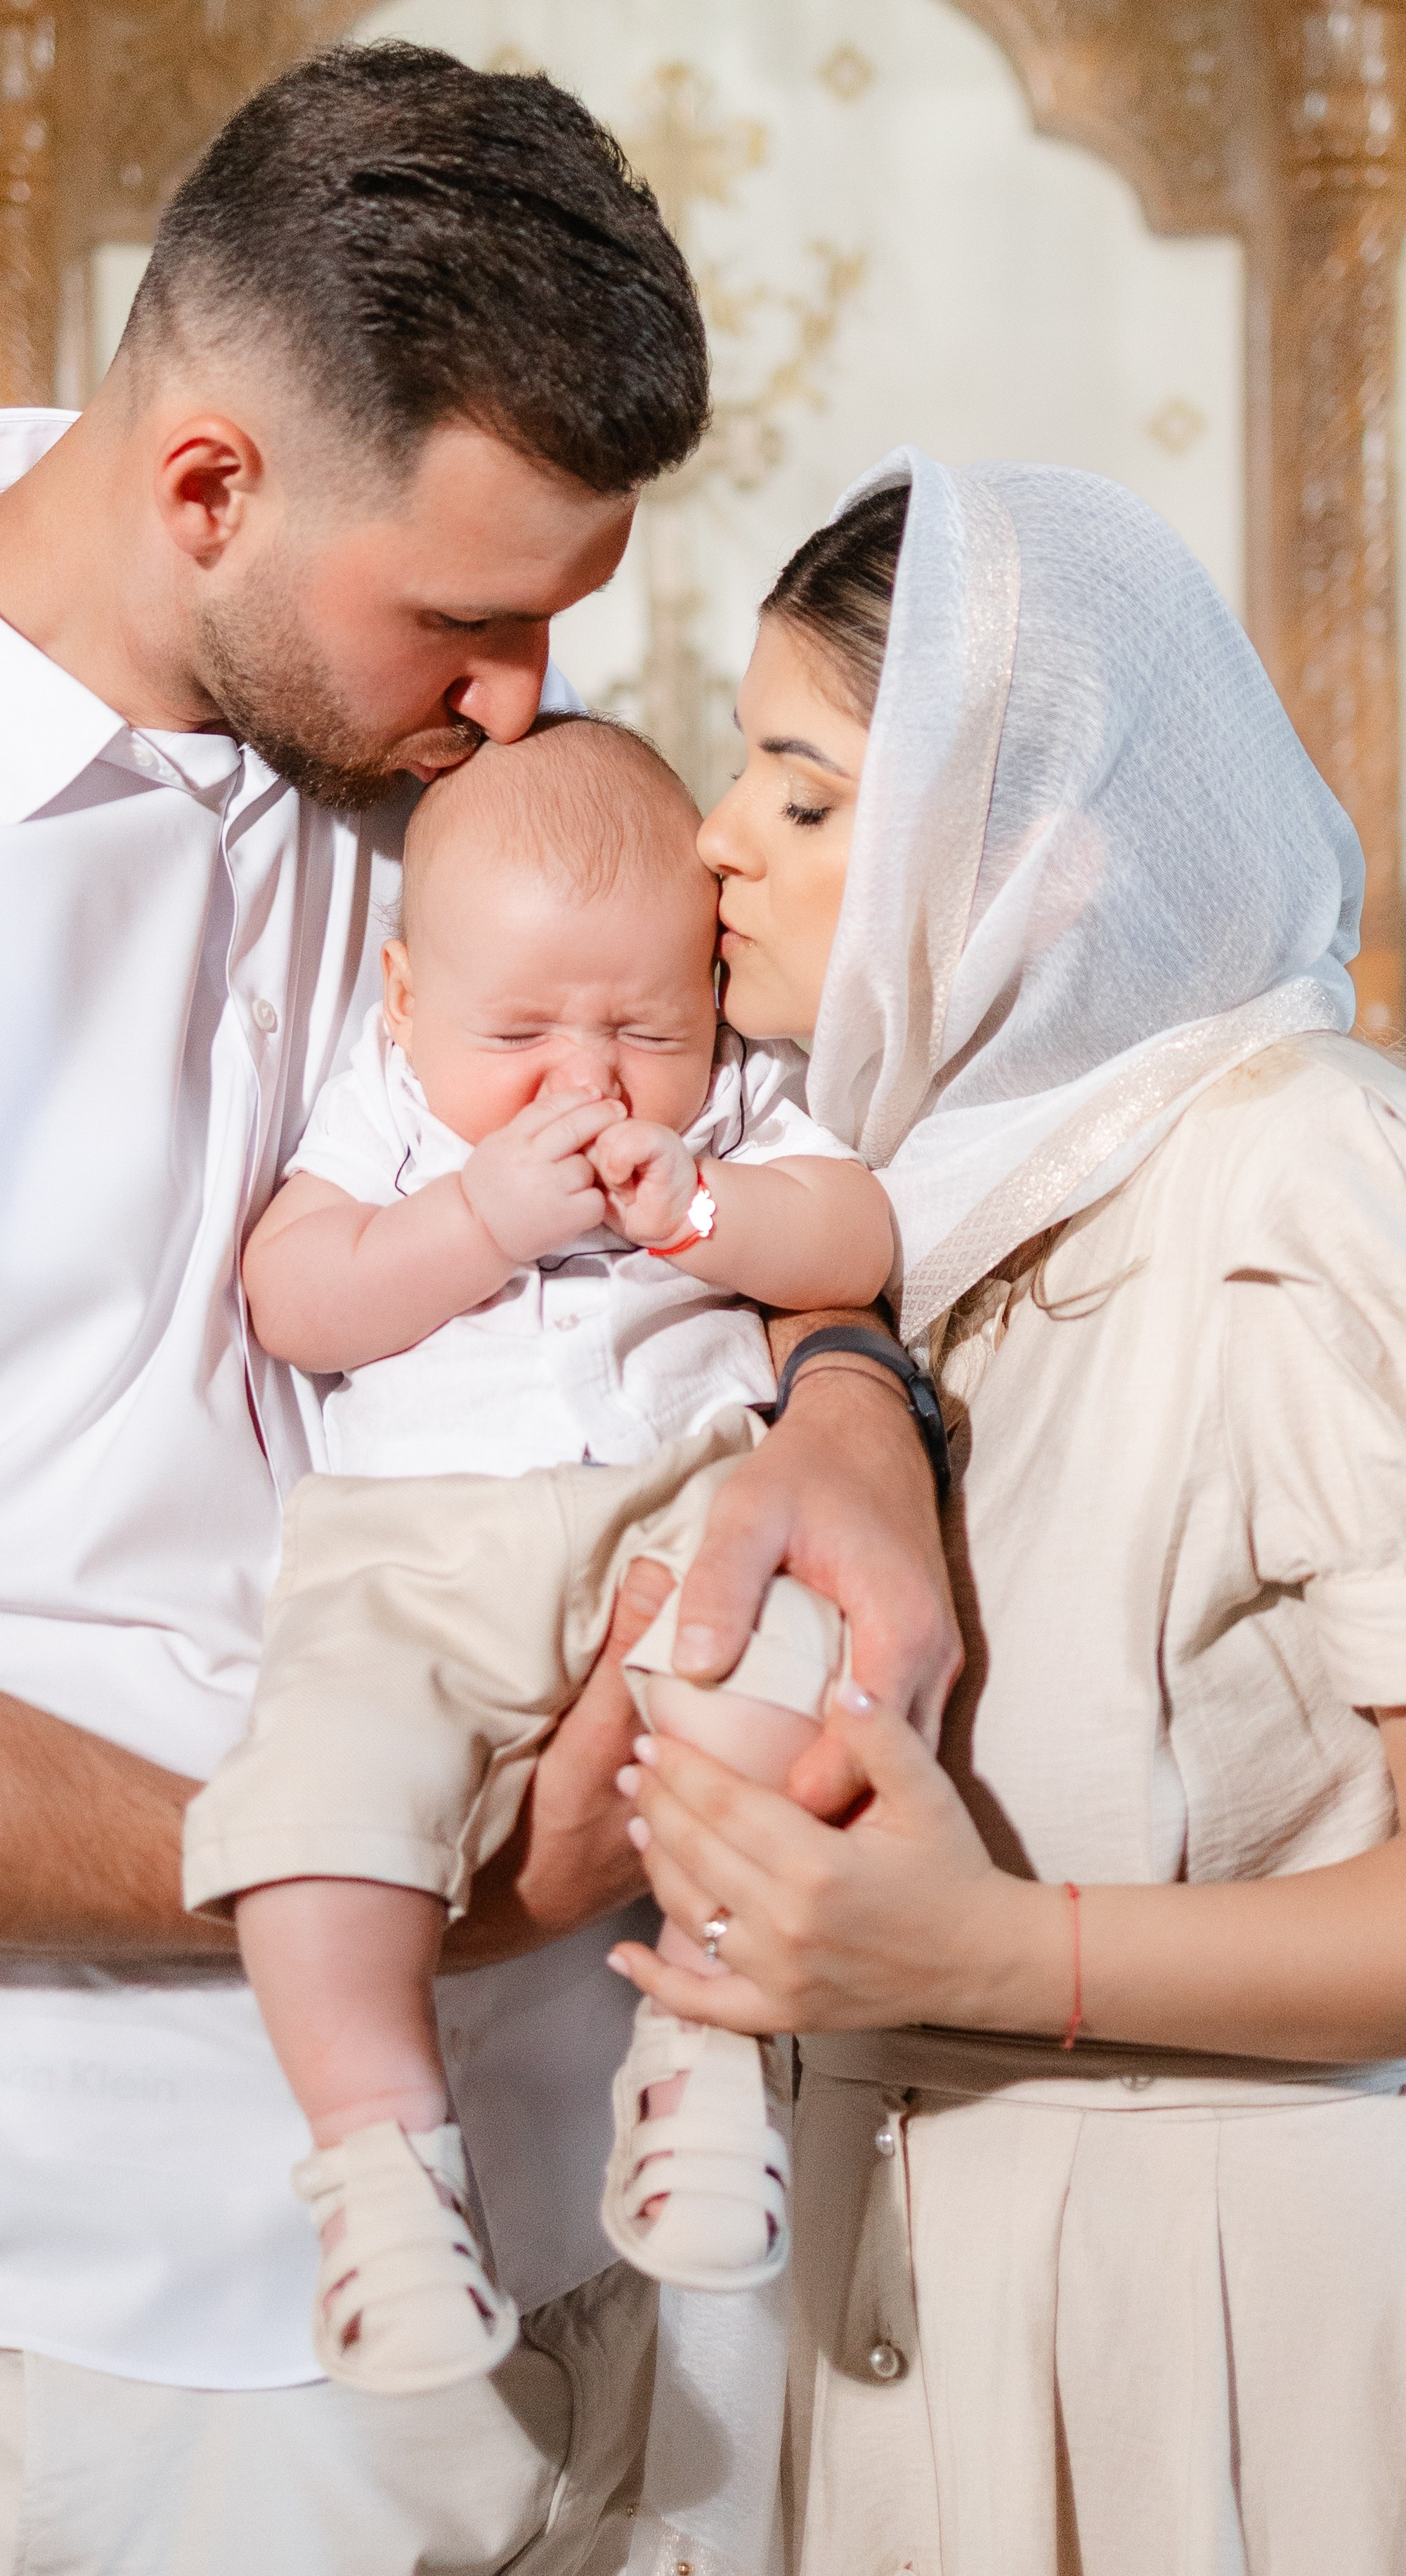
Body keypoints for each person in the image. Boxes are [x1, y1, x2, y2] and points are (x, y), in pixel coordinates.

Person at [0, 49, 958, 2576]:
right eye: (470, 628)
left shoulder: (406, 707)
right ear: (207, 487)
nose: (521, 708)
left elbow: (756, 1138)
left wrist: (840, 1396)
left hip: (668, 2230)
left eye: (551, 632)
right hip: (178, 2340)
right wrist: (400, 1876)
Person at [610, 450, 1406, 2573]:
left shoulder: (1294, 1171)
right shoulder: (889, 1208)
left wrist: (991, 1948)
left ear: (1034, 859)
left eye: (797, 790)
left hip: (1211, 2314)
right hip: (873, 2280)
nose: (711, 843)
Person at [190, 713, 891, 2393]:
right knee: (316, 1814)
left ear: (703, 1005)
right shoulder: (387, 1113)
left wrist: (698, 1209)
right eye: (519, 1030)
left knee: (780, 1688)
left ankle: (705, 2046)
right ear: (405, 999)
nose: (583, 1081)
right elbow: (294, 1297)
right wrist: (478, 1219)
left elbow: (851, 1234)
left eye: (639, 1026)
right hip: (407, 1558)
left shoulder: (725, 1103)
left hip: (680, 1507)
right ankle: (378, 2169)